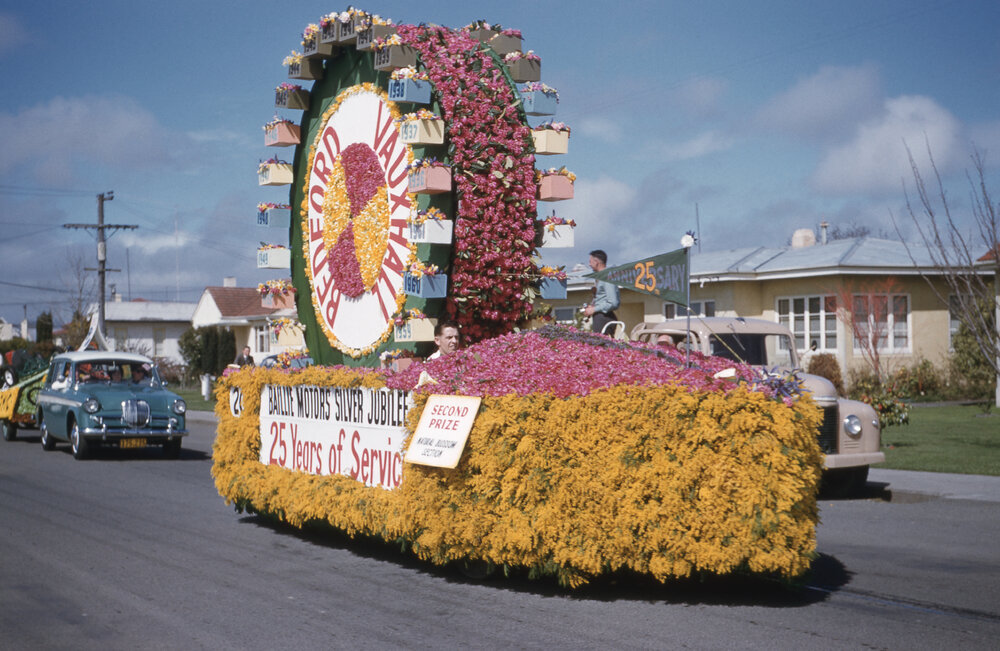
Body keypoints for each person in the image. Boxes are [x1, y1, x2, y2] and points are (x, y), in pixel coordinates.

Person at [583, 249, 620, 334]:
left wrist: (594, 309)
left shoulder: (607, 277)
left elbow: (613, 302)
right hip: (601, 317)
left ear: (596, 262)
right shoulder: (601, 277)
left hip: (604, 318)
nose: (589, 264)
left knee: (601, 345)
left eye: (590, 261)